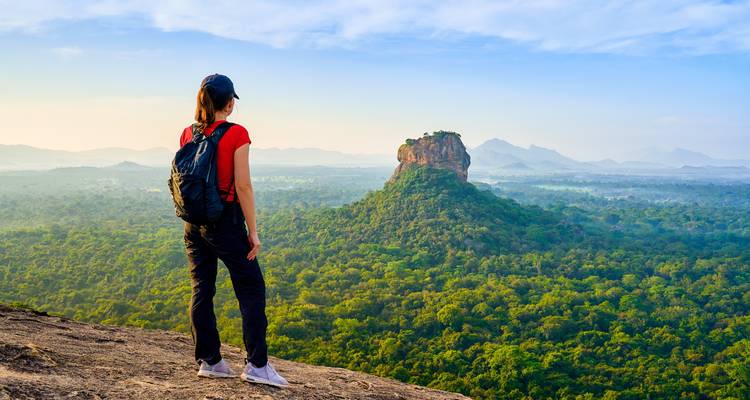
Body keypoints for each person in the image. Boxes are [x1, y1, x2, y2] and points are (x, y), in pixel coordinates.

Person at [179, 74, 288, 388]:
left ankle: (210, 360)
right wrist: (252, 231)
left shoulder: (188, 132)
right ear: (230, 102)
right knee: (252, 289)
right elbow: (242, 185)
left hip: (193, 223)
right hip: (225, 222)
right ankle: (257, 364)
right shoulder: (236, 133)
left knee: (202, 288)